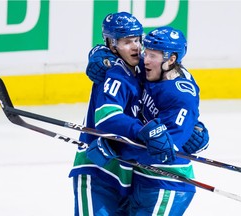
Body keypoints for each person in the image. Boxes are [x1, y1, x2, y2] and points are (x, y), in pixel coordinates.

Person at [85, 26, 209, 215]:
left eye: (153, 55)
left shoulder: (182, 95)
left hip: (166, 183)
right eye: (146, 52)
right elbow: (114, 52)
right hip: (139, 181)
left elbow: (164, 150)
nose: (145, 60)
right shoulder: (154, 70)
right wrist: (100, 55)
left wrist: (118, 149)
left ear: (171, 59)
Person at [69, 12, 177, 215]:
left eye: (137, 39)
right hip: (97, 169)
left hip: (126, 173)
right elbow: (107, 118)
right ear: (112, 44)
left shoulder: (141, 70)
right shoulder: (113, 74)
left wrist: (188, 125)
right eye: (127, 42)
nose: (136, 46)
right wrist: (143, 131)